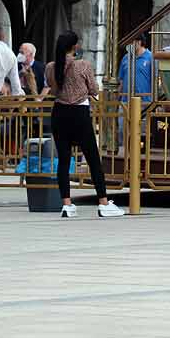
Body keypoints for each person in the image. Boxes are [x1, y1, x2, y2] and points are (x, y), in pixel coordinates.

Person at [49, 31, 124, 218]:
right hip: (79, 113)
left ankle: (66, 204)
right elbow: (93, 89)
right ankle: (103, 202)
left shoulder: (51, 67)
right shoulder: (82, 65)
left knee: (64, 160)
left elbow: (53, 89)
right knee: (93, 158)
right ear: (75, 46)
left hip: (59, 113)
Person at [118, 32, 155, 110]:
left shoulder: (150, 57)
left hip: (144, 102)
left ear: (139, 42)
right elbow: (121, 81)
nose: (129, 45)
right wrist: (118, 100)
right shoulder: (126, 58)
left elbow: (156, 81)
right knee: (122, 122)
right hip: (125, 102)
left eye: (131, 42)